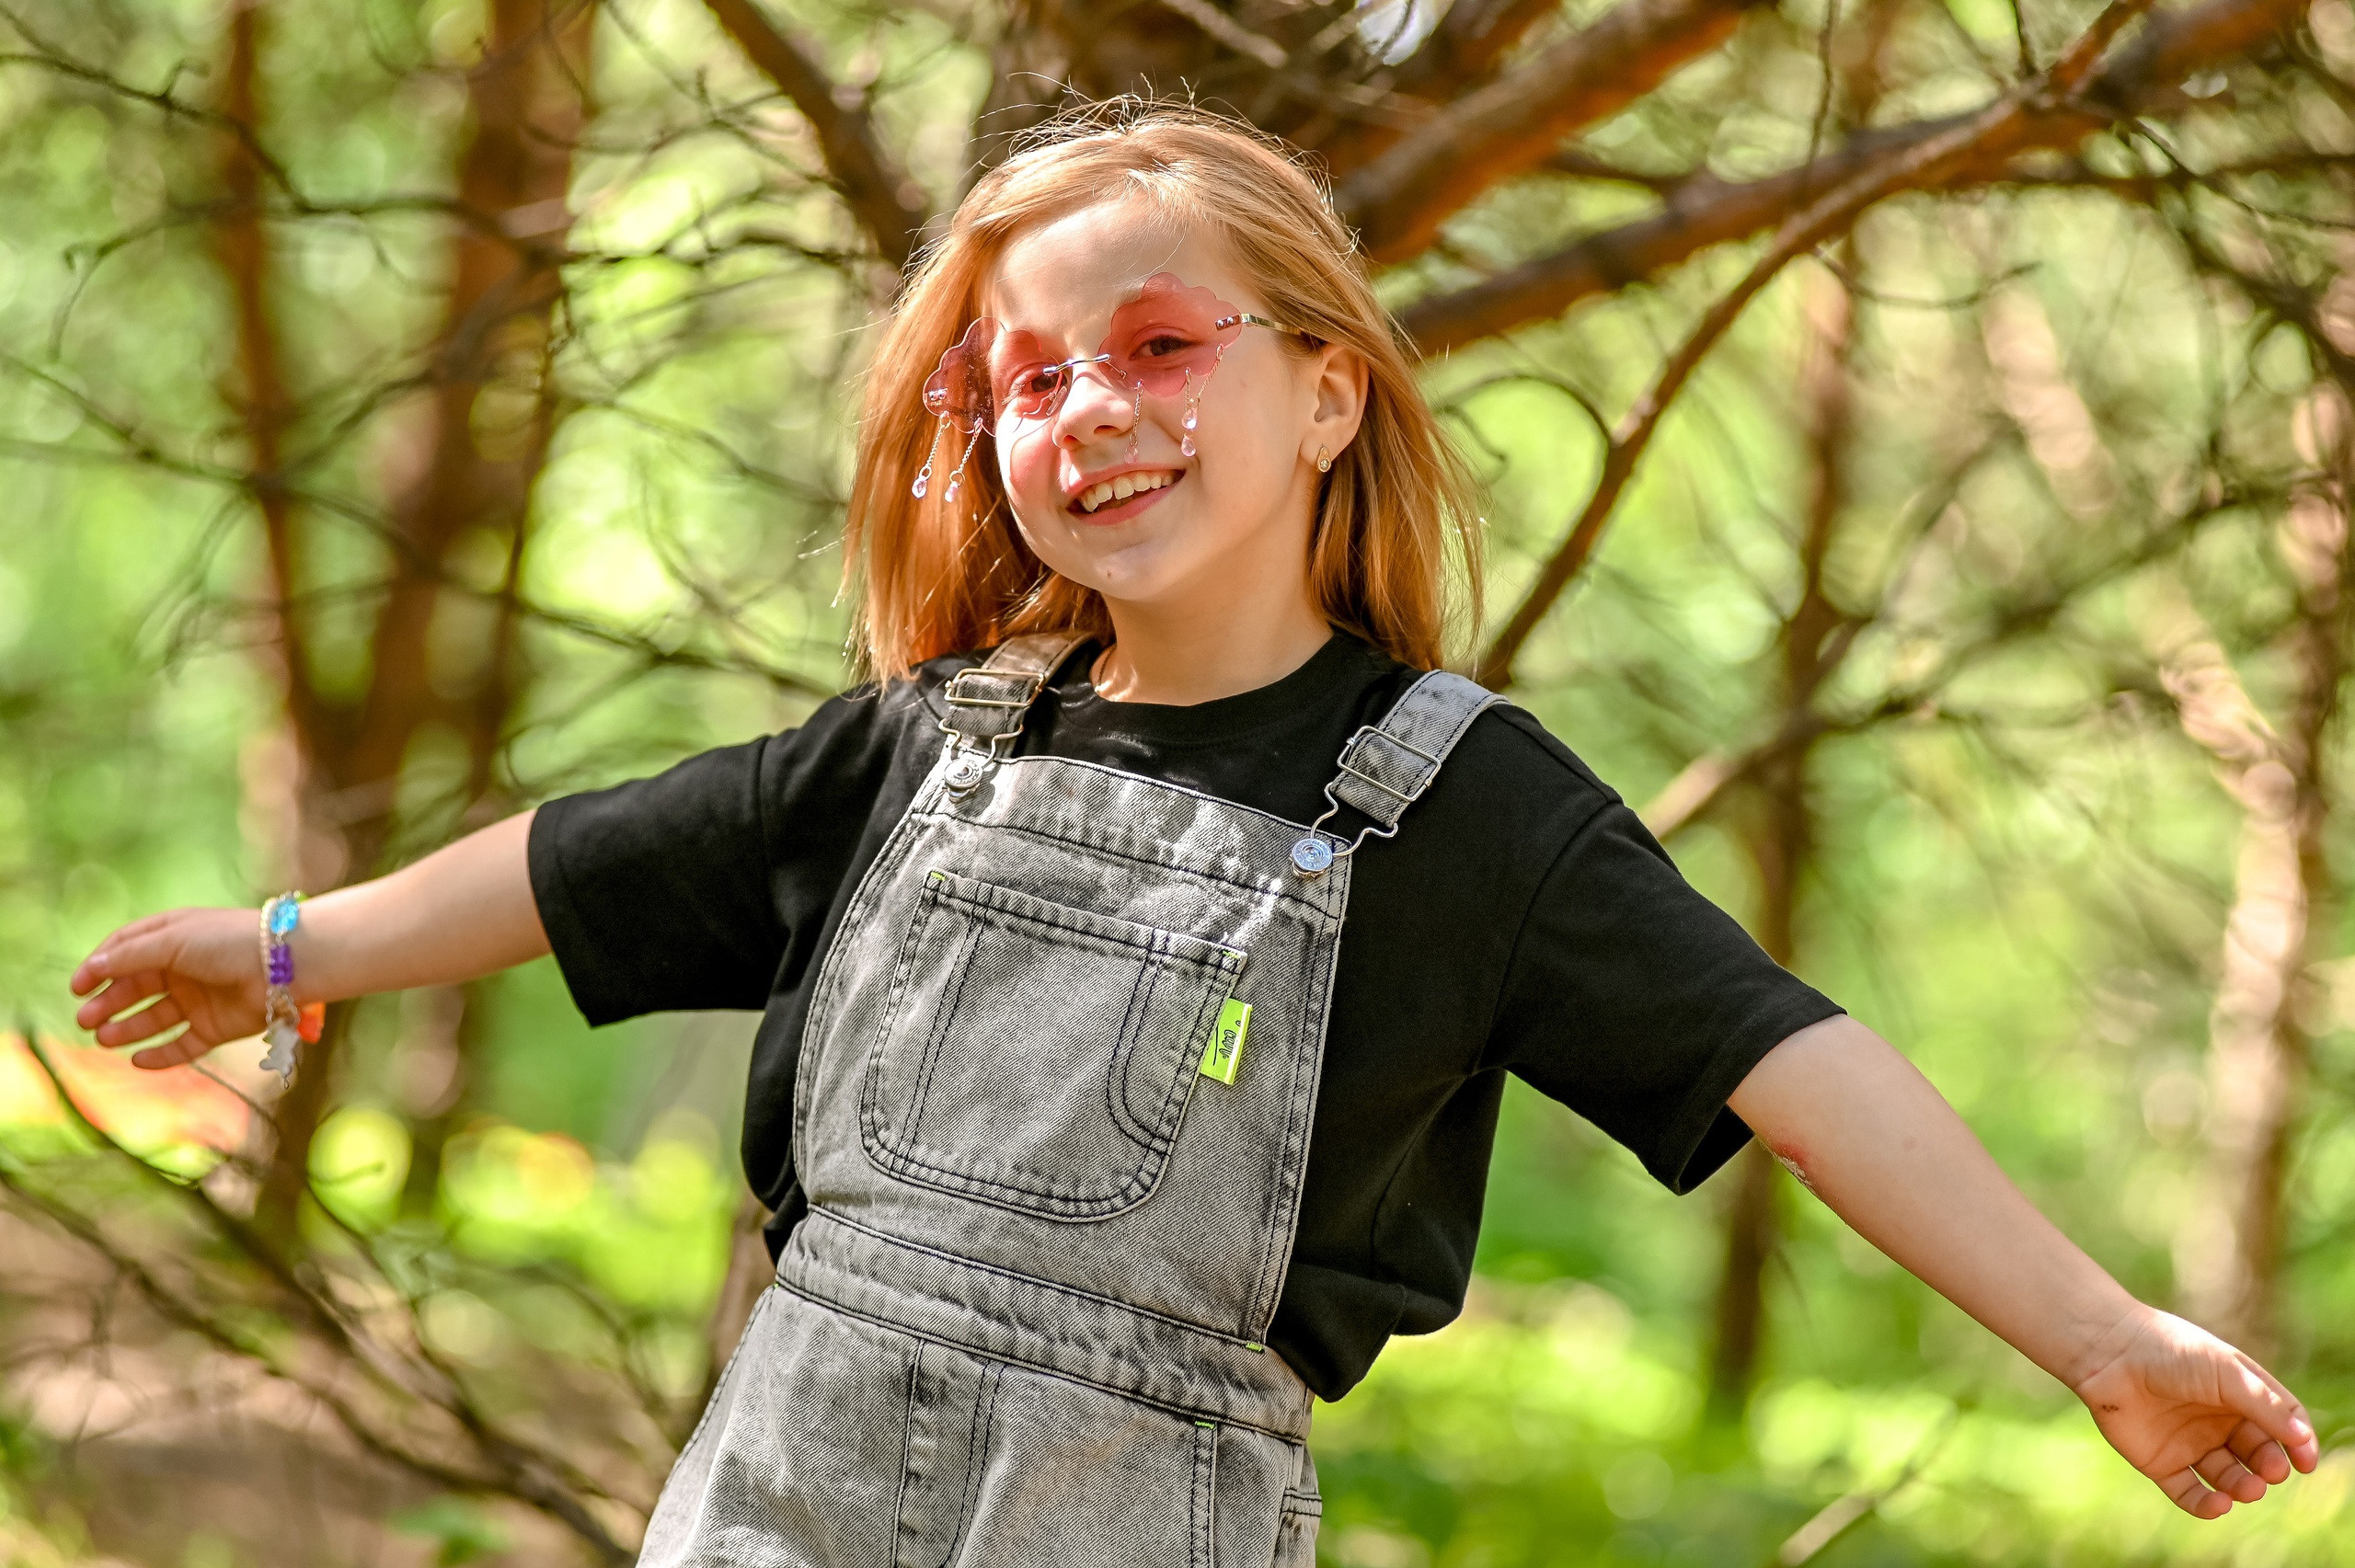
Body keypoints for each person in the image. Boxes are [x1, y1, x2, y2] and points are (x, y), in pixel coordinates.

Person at [68, 104, 2315, 1565]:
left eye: (1156, 345)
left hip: (1136, 1515)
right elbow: (586, 860)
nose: (1087, 413)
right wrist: (287, 945)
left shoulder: (1456, 807)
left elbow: (1782, 1057)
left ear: (1325, 389)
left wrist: (2097, 1333)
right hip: (778, 1478)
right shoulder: (928, 744)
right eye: (1027, 378)